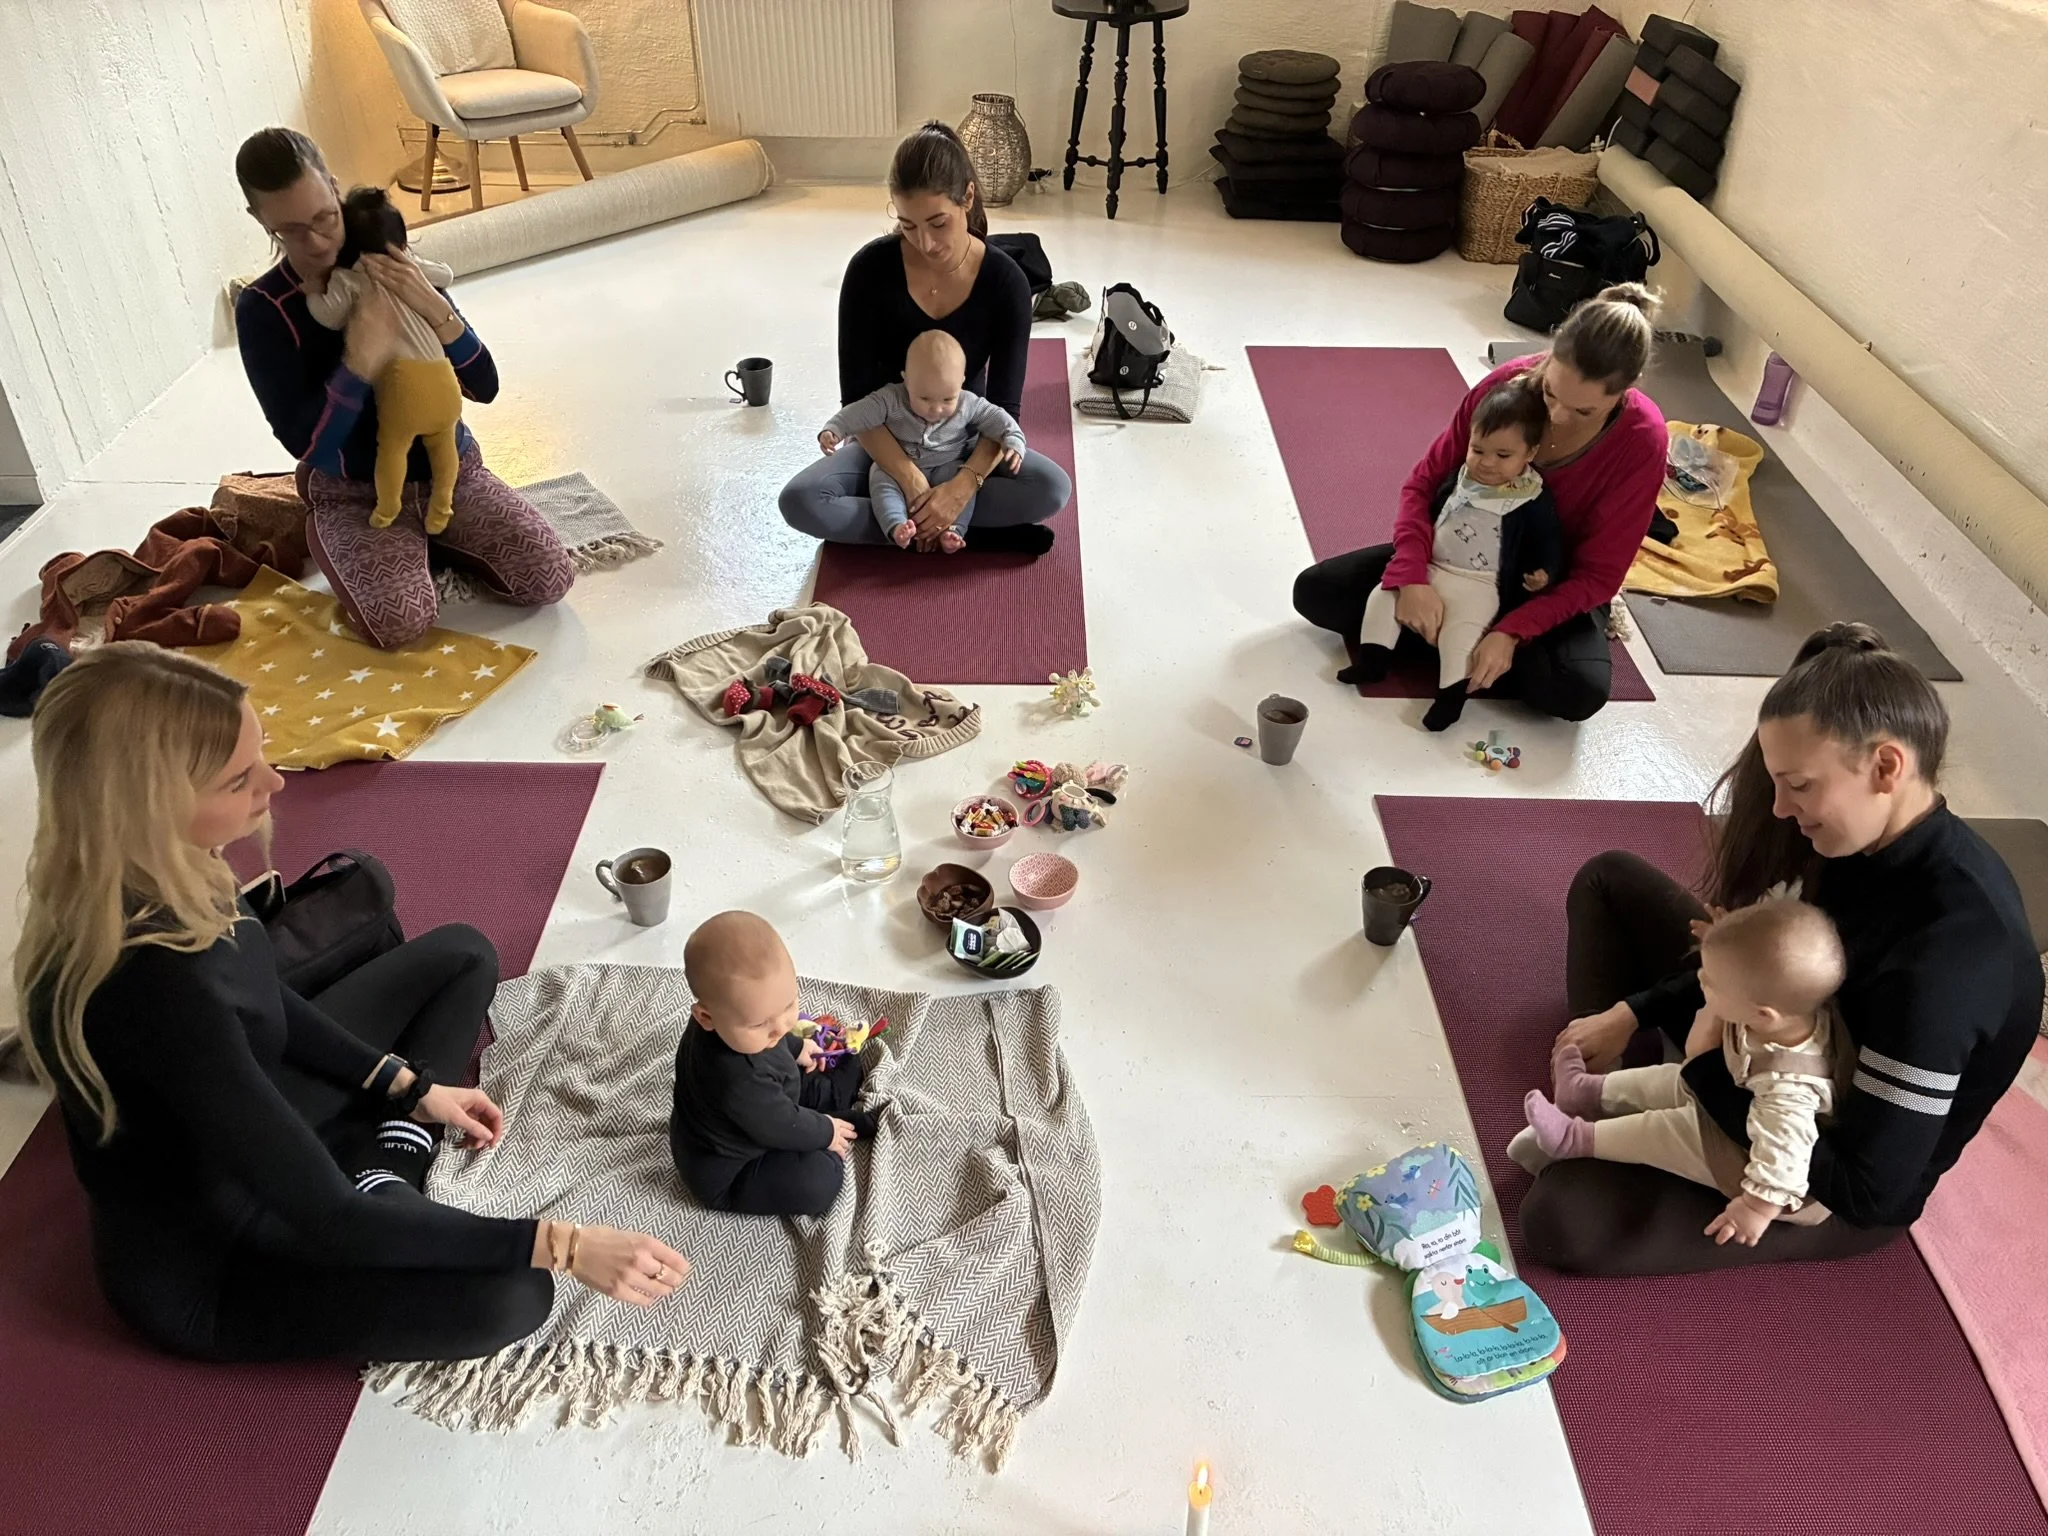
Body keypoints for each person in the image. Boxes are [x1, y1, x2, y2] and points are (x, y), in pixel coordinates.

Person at [13, 644, 689, 1362]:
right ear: (150, 807)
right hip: (223, 1255)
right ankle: (387, 1166)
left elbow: (260, 998)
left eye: (262, 754)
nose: (274, 782)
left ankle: (390, 1149)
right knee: (516, 1292)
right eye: (240, 778)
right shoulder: (156, 991)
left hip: (250, 1106)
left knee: (463, 953)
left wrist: (409, 1085)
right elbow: (330, 1218)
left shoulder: (161, 867)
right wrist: (564, 1244)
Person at [1523, 624, 2043, 1273]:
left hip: (1809, 1158)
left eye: (1797, 786)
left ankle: (1633, 1107)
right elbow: (1772, 964)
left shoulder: (1946, 960)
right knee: (1609, 880)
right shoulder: (1861, 841)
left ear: (1886, 766)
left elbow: (1866, 1187)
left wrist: (1705, 1067)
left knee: (1560, 1219)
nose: (1777, 807)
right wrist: (1632, 1011)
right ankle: (1613, 1095)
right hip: (1768, 1034)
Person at [233, 127, 573, 650]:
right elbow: (311, 446)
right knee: (401, 623)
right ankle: (366, 538)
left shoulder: (385, 253)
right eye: (293, 231)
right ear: (261, 222)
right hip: (354, 493)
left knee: (548, 578)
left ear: (333, 184)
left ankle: (428, 540)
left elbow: (484, 386)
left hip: (450, 469)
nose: (319, 242)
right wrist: (359, 361)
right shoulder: (264, 309)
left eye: (326, 216)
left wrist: (436, 309)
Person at [1292, 284, 1670, 722]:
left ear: (1625, 392)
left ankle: (1455, 642)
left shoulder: (1642, 440)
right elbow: (1423, 484)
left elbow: (1599, 577)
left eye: (1583, 411)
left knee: (1577, 692)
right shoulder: (1504, 387)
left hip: (1541, 585)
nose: (1558, 416)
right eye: (1549, 393)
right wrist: (1412, 576)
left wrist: (1512, 632)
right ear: (1547, 356)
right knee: (1316, 593)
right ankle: (1456, 642)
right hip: (1452, 558)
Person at [779, 122, 1073, 556]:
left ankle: (912, 525)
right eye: (908, 226)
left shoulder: (1005, 281)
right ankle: (960, 529)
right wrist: (912, 481)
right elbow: (856, 400)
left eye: (938, 223)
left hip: (961, 441)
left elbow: (1006, 411)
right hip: (885, 442)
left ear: (967, 198)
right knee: (801, 502)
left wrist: (961, 486)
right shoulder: (869, 270)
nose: (925, 243)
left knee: (1051, 489)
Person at [1517, 898, 1848, 1249]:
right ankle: (1587, 1092)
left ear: (1763, 1014)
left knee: (1666, 1130)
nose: (1701, 982)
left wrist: (1755, 1208)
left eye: (1711, 982)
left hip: (1746, 1160)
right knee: (1671, 1078)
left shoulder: (1789, 1091)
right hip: (1738, 1099)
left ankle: (1575, 1138)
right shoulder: (1781, 1013)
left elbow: (1787, 1159)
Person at [1345, 373, 1562, 732]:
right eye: (1478, 450)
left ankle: (1450, 697)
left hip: (1480, 583)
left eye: (1503, 455)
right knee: (1383, 597)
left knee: (1461, 635)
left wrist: (1545, 572)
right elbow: (1429, 506)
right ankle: (1372, 660)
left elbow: (1548, 542)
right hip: (1433, 566)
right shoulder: (1461, 476)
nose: (1487, 463)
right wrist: (1411, 569)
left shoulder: (1532, 498)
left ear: (1531, 453)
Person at [669, 912, 877, 1217]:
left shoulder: (736, 1021)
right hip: (732, 1169)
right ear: (706, 1017)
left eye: (789, 1005)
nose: (781, 1027)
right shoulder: (734, 1079)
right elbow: (779, 1125)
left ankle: (827, 1111)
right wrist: (824, 1132)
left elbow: (774, 1036)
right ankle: (828, 1122)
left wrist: (795, 1046)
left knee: (816, 1080)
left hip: (762, 1109)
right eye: (760, 1023)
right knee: (819, 1180)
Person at [305, 188, 464, 534]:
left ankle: (388, 507)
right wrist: (411, 262)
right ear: (400, 241)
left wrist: (313, 289)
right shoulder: (413, 268)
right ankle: (442, 506)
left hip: (402, 388)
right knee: (444, 445)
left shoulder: (349, 280)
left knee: (391, 450)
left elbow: (327, 316)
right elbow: (447, 275)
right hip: (443, 381)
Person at [819, 329, 1026, 553]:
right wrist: (834, 429)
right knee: (880, 478)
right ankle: (897, 526)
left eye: (948, 399)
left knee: (963, 487)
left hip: (947, 464)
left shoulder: (969, 403)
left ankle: (953, 530)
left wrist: (1013, 439)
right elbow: (858, 412)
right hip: (898, 466)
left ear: (962, 383)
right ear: (906, 380)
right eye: (924, 398)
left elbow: (998, 418)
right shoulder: (890, 399)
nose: (936, 409)